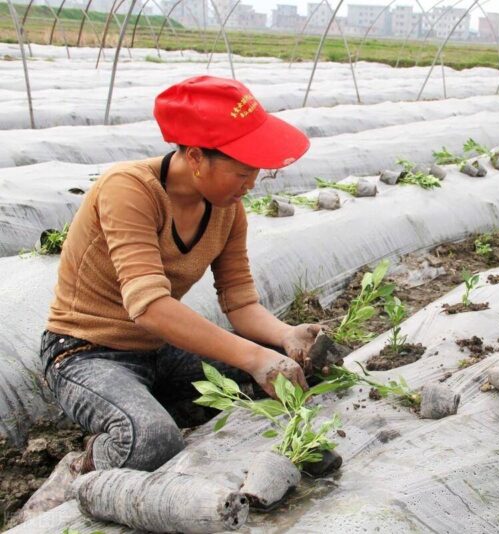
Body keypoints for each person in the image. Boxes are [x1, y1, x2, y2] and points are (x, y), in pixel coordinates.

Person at [22, 76, 330, 519]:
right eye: (242, 171)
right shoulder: (128, 189)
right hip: (85, 353)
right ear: (195, 158)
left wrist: (285, 339)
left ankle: (181, 415)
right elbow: (149, 308)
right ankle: (80, 469)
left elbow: (240, 303)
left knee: (297, 373)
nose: (252, 183)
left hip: (159, 351)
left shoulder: (227, 208)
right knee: (150, 440)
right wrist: (255, 358)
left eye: (256, 172)